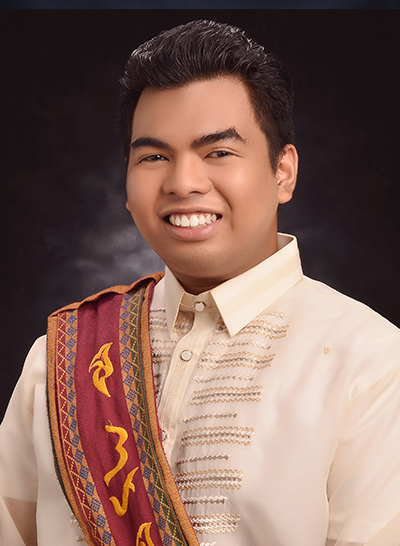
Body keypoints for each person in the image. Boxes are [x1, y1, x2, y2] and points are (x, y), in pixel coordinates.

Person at [1, 19, 400, 546]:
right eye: (154, 157)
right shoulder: (59, 359)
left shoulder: (372, 363)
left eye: (218, 152)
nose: (183, 182)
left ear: (283, 171)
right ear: (127, 184)